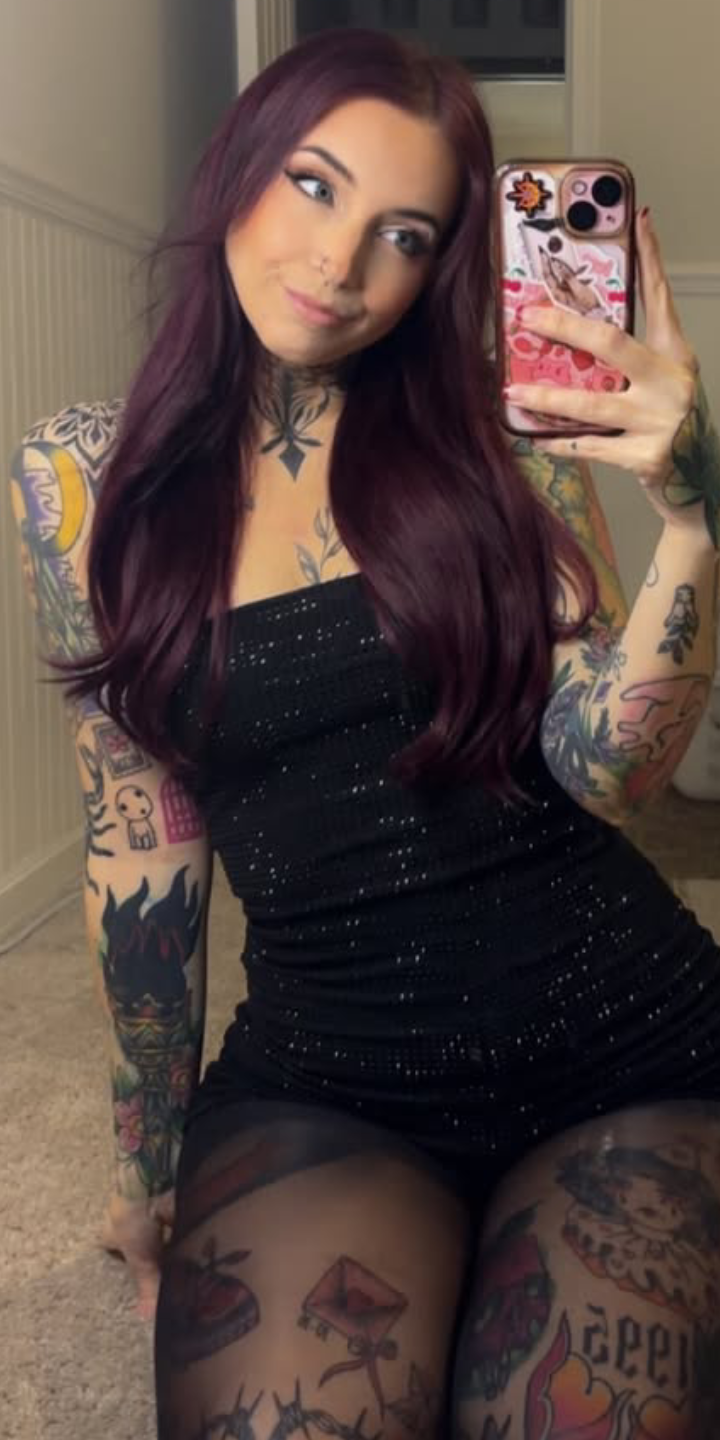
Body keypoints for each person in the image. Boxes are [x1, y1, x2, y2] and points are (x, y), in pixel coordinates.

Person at [9, 25, 720, 1440]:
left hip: (625, 1047)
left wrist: (695, 522)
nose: (341, 263)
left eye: (405, 233)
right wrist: (145, 1159)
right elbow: (138, 849)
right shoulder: (81, 478)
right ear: (239, 171)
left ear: (440, 267)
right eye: (314, 184)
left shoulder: (503, 441)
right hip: (333, 1078)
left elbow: (608, 776)